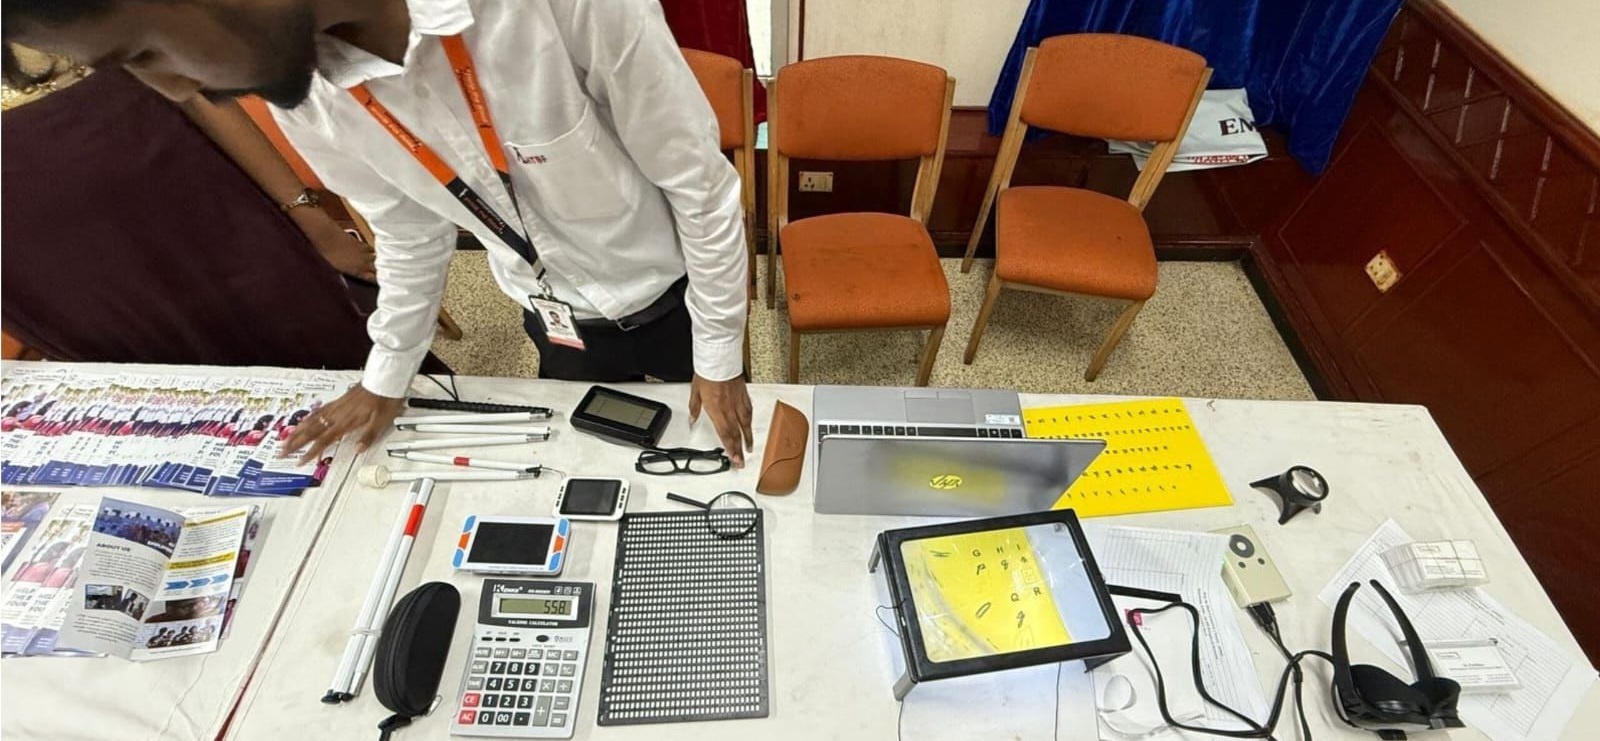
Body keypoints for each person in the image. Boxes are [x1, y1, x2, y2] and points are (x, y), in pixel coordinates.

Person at [4, 0, 757, 466]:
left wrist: (721, 354)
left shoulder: (547, 10)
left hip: (679, 295)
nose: (172, 89)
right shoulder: (306, 90)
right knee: (590, 459)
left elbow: (701, 186)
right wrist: (385, 374)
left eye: (143, 53)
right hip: (549, 311)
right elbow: (407, 229)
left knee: (716, 453)